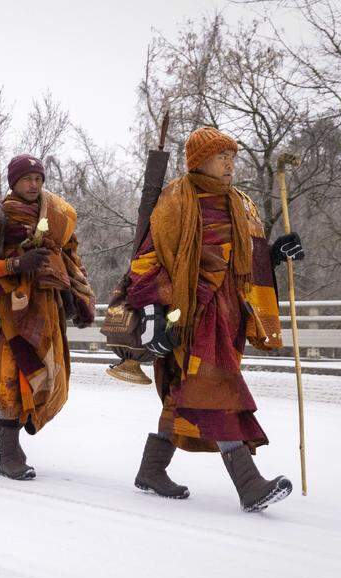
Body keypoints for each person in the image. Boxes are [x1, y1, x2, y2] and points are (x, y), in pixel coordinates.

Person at [127, 127, 303, 512]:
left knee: (185, 391)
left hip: (230, 314)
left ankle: (151, 470)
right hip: (190, 314)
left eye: (232, 156)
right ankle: (249, 483)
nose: (229, 163)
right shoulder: (177, 200)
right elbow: (148, 260)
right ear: (198, 161)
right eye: (221, 156)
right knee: (216, 388)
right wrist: (154, 313)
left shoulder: (241, 204)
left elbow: (249, 263)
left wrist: (275, 253)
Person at [0, 154, 95, 480]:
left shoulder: (55, 216)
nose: (34, 184)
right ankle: (9, 454)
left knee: (46, 375)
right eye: (27, 178)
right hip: (9, 311)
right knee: (13, 376)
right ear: (14, 182)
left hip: (45, 310)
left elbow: (72, 258)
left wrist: (79, 295)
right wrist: (15, 265)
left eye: (38, 178)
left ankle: (8, 426)